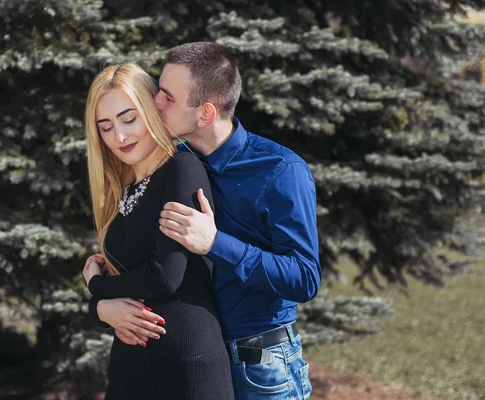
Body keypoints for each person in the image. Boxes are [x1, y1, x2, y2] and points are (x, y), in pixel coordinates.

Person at [89, 42, 322, 400]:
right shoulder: (174, 166)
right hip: (193, 355)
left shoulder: (279, 170)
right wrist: (103, 305)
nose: (156, 102)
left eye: (168, 96)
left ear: (206, 114)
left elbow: (304, 278)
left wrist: (216, 243)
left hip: (260, 364)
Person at [81, 63, 234, 400]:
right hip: (130, 363)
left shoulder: (181, 168)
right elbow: (131, 277)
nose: (118, 137)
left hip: (186, 363)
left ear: (151, 109)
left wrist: (97, 287)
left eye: (129, 119)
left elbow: (165, 276)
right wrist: (101, 308)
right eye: (105, 127)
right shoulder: (122, 187)